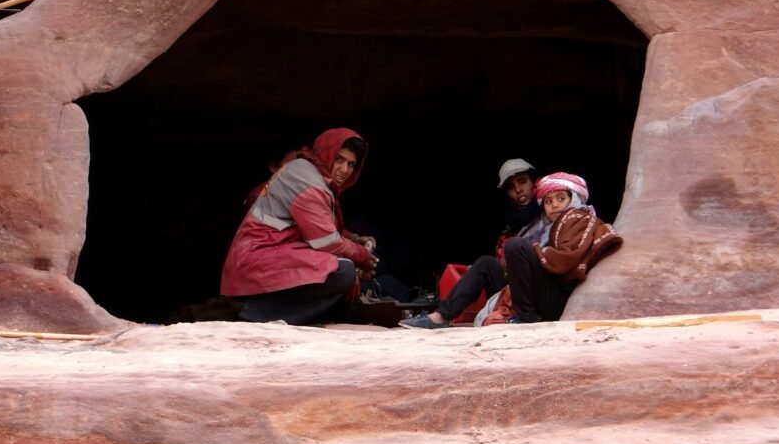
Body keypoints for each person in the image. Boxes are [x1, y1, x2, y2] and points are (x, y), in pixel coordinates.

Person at [221, 127, 378, 325]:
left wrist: (353, 240)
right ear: (326, 153)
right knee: (342, 270)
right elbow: (328, 243)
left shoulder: (310, 174)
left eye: (351, 164)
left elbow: (318, 228)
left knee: (343, 267)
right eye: (339, 159)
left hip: (267, 255)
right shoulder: (308, 182)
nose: (345, 170)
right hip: (257, 258)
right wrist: (363, 257)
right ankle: (257, 315)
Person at [399, 158, 543, 329]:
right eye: (511, 187)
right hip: (513, 287)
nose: (518, 190)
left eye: (522, 182)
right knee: (485, 263)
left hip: (540, 285)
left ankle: (527, 317)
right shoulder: (510, 226)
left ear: (535, 182)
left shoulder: (549, 209)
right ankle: (440, 317)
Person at [480, 171, 623, 325]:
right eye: (548, 201)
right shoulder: (563, 222)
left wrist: (537, 251)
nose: (554, 205)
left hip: (562, 299)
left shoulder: (576, 218)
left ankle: (527, 317)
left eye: (561, 199)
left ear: (573, 198)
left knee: (516, 246)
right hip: (554, 295)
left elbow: (566, 260)